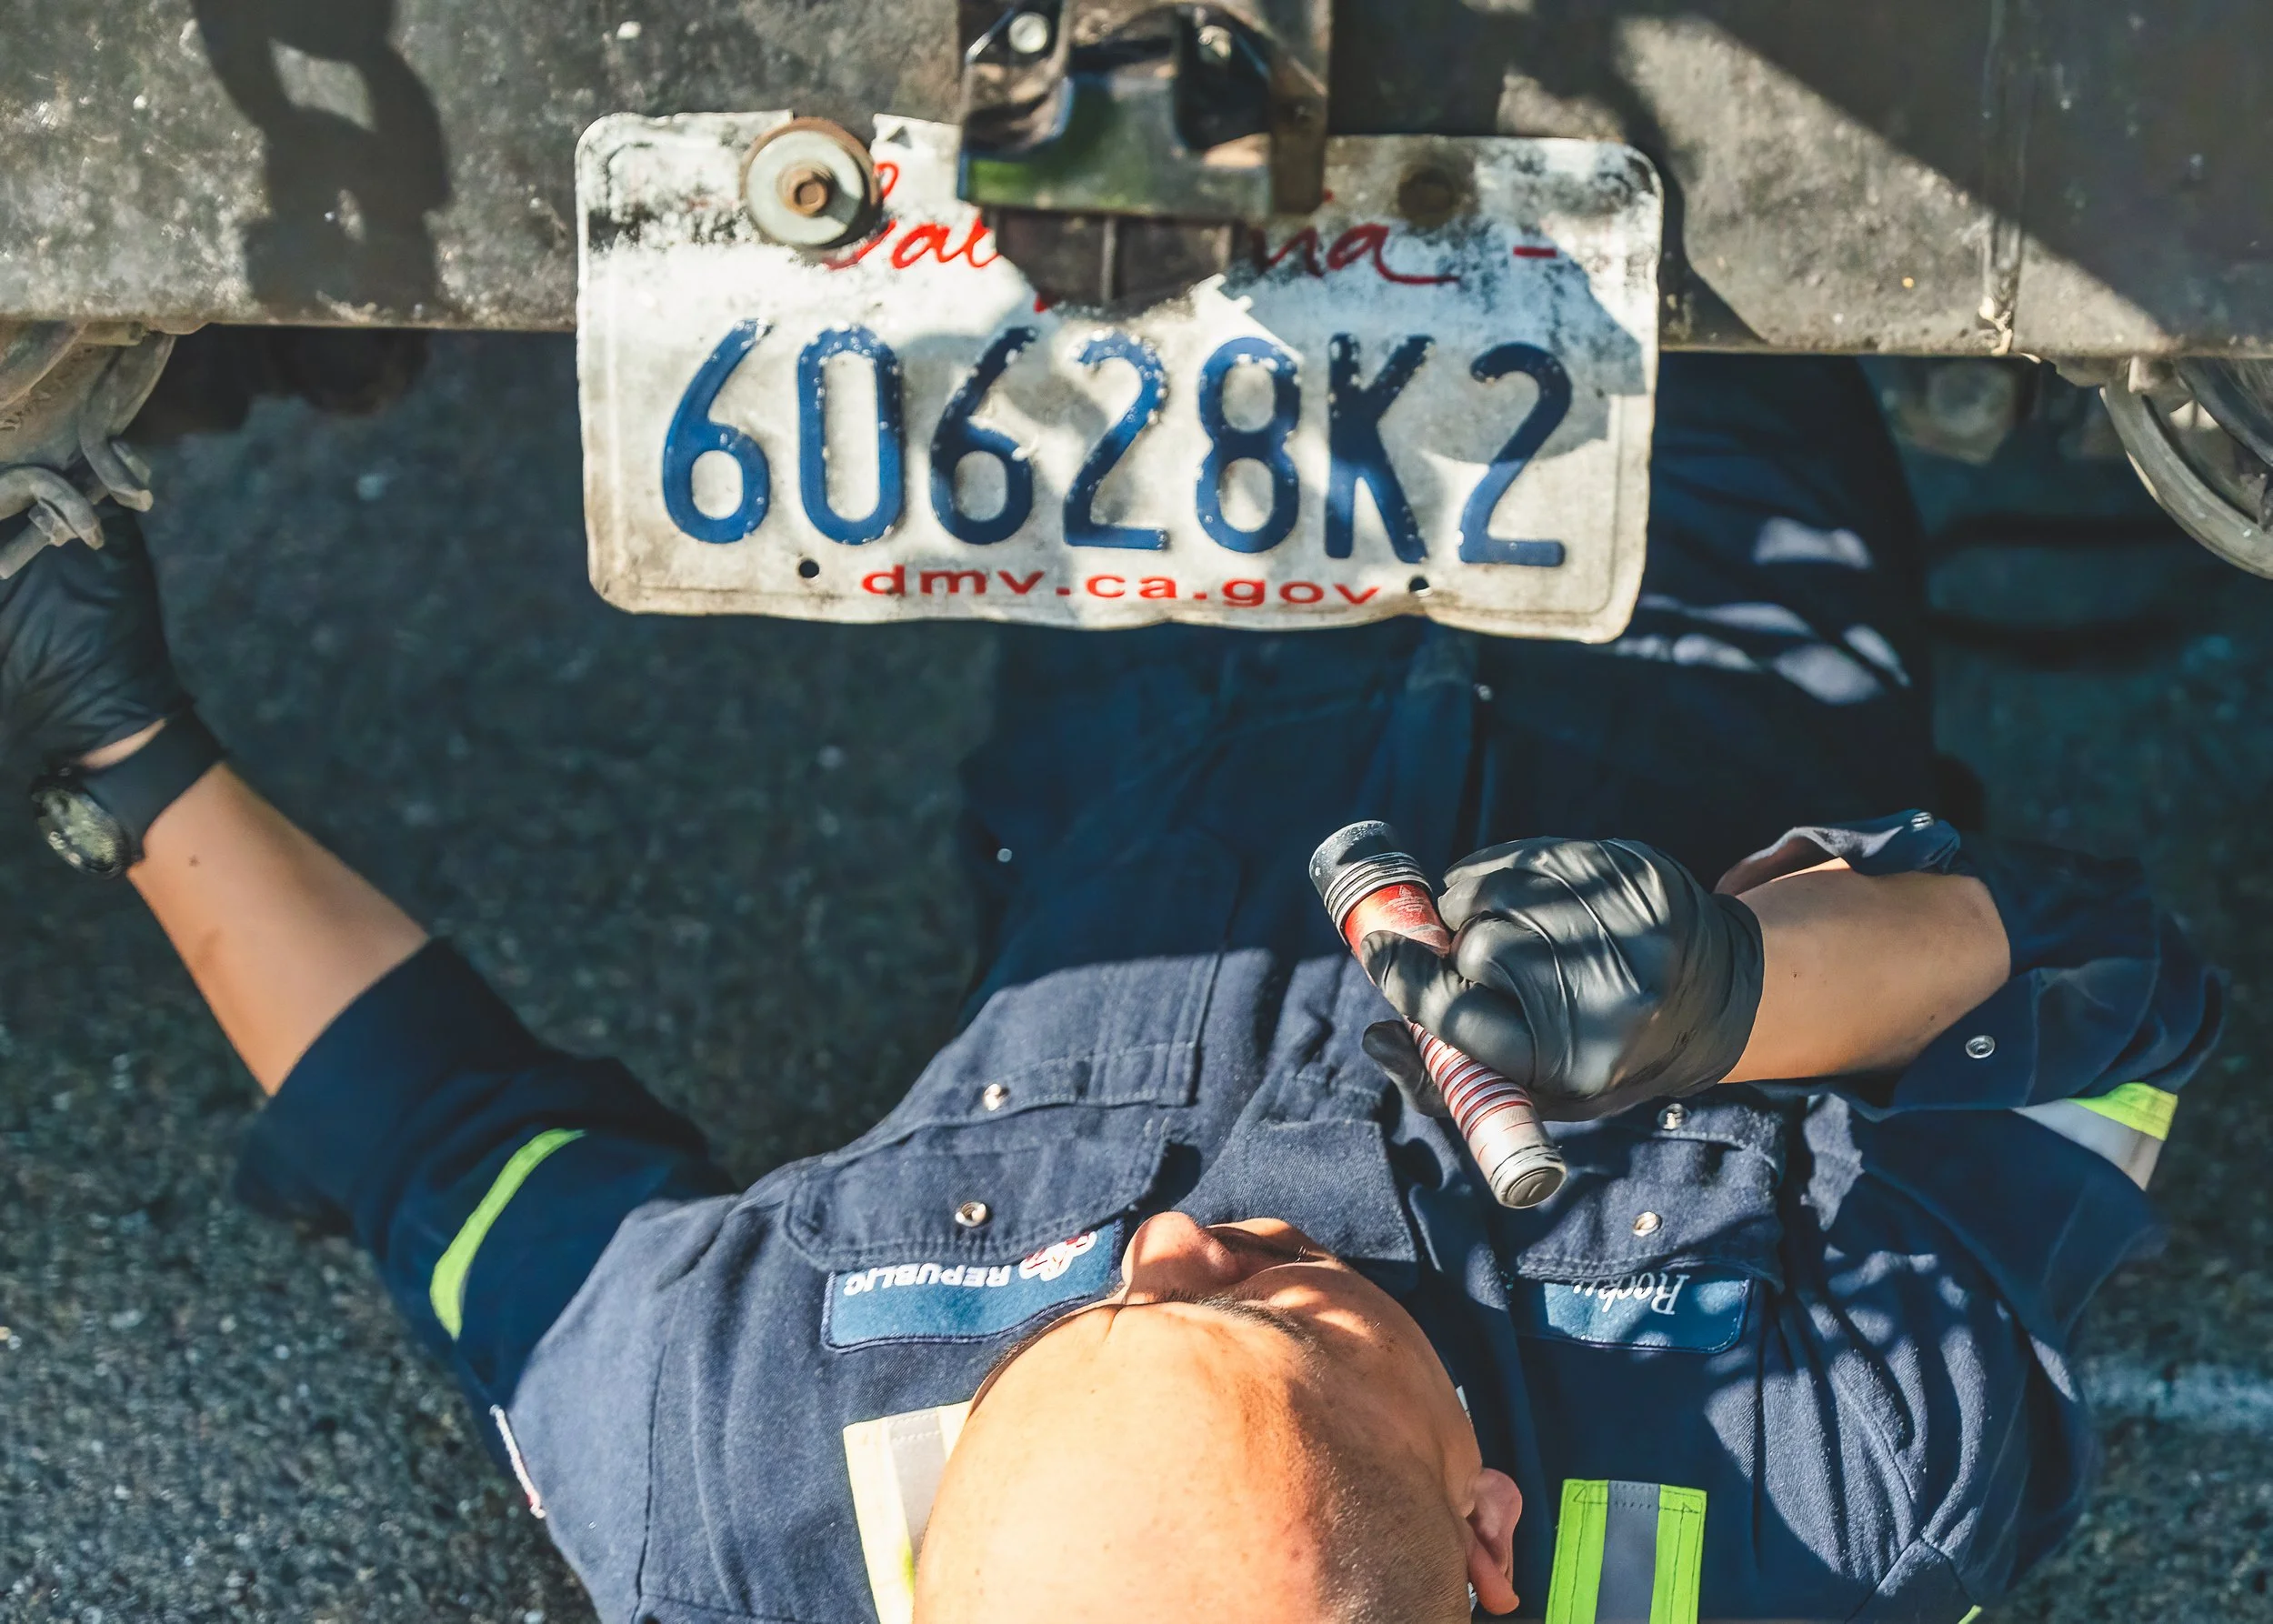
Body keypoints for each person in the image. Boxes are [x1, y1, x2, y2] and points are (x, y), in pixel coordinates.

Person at [0, 353, 2219, 1624]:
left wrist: (117, 745)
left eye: (1088, 1316)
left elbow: (443, 1155)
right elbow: (2116, 991)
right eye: (1255, 1296)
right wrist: (1739, 978)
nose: (1168, 1233)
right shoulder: (1836, 1491)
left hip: (1164, 546)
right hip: (1692, 523)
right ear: (1482, 1544)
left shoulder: (736, 1470)